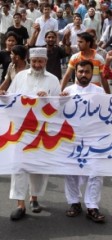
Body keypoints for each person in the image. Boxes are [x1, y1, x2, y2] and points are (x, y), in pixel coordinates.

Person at [0, 47, 61, 221]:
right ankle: (20, 204)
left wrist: (47, 97)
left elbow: (58, 108)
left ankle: (34, 198)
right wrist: (4, 95)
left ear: (45, 62)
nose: (37, 64)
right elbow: (11, 98)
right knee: (19, 167)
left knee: (39, 168)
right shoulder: (20, 77)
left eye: (40, 61)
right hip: (21, 131)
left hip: (42, 132)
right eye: (34, 61)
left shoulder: (53, 80)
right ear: (30, 61)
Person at [60, 60, 106, 223]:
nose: (83, 75)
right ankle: (74, 203)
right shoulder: (68, 91)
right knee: (71, 173)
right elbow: (58, 114)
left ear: (91, 73)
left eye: (87, 72)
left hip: (94, 140)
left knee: (95, 172)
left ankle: (92, 206)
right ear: (75, 73)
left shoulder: (99, 91)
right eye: (80, 72)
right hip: (71, 140)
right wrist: (60, 100)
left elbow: (109, 113)